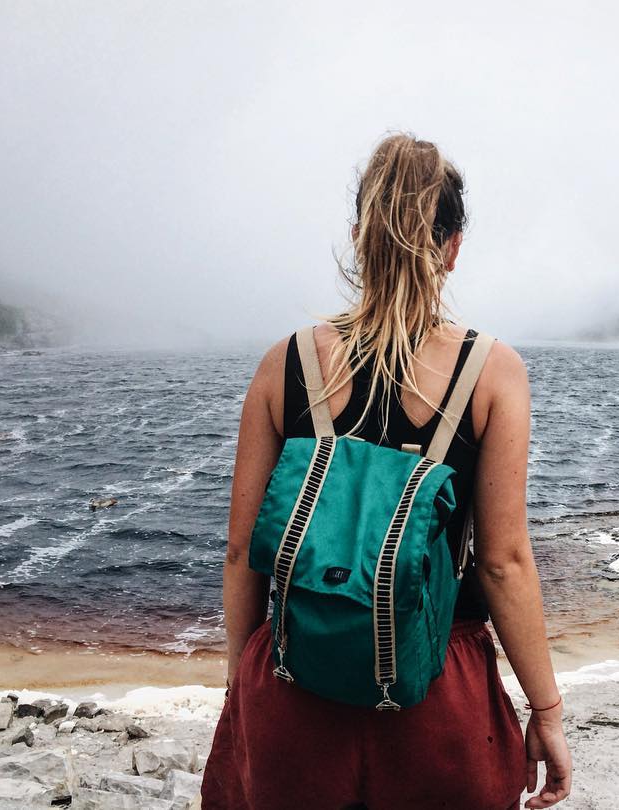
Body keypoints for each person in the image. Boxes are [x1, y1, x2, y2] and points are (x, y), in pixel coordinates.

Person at [201, 134, 571, 810]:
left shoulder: (281, 367)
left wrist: (242, 688)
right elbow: (504, 563)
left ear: (356, 239)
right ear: (453, 248)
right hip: (436, 689)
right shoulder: (491, 373)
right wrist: (544, 708)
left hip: (294, 683)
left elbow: (239, 553)